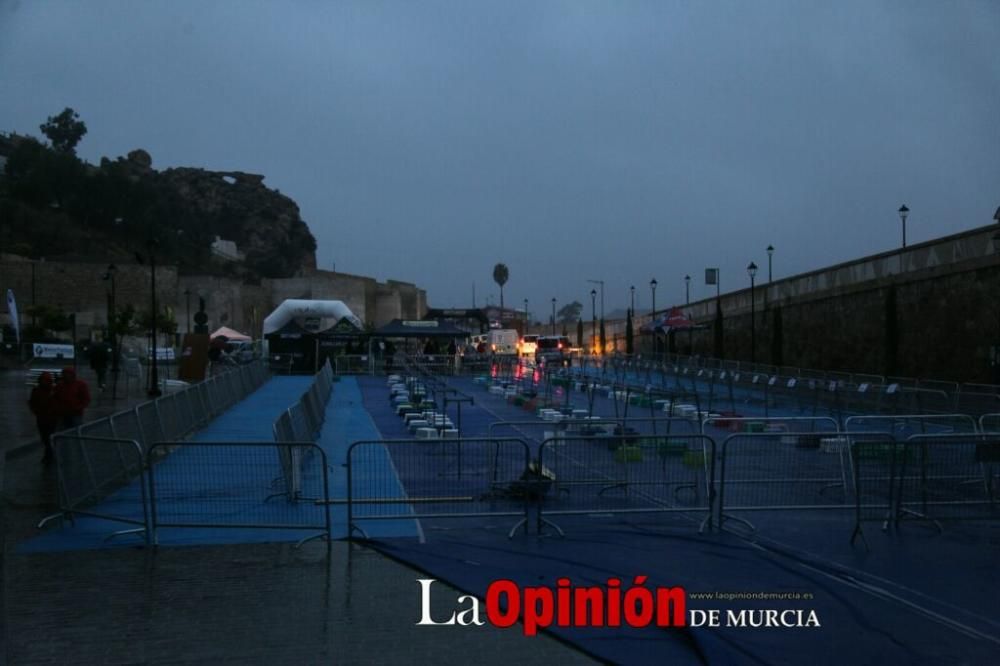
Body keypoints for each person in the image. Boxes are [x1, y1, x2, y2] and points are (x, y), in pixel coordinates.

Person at [28, 372, 59, 464]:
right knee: (45, 437)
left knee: (49, 437)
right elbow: (32, 402)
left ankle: (49, 455)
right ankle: (49, 454)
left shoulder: (53, 390)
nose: (45, 382)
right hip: (42, 417)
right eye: (43, 380)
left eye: (46, 380)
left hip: (51, 418)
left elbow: (57, 403)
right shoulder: (37, 390)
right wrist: (35, 411)